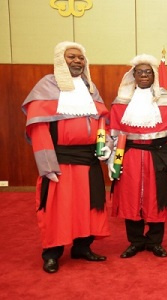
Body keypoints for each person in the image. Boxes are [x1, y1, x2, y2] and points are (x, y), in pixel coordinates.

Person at [21, 41, 111, 273]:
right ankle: (52, 253)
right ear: (61, 60)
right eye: (72, 57)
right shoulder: (46, 86)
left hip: (89, 161)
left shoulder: (91, 88)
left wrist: (106, 146)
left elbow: (102, 121)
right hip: (60, 162)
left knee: (88, 207)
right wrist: (47, 164)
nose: (77, 61)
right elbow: (39, 130)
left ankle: (82, 247)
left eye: (81, 58)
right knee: (56, 209)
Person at [109, 54, 167, 259]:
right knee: (130, 200)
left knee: (157, 199)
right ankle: (135, 241)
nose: (144, 75)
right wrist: (112, 162)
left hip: (158, 158)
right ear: (133, 75)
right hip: (129, 157)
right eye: (140, 72)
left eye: (148, 72)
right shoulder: (121, 102)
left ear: (154, 75)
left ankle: (155, 242)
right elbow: (114, 135)